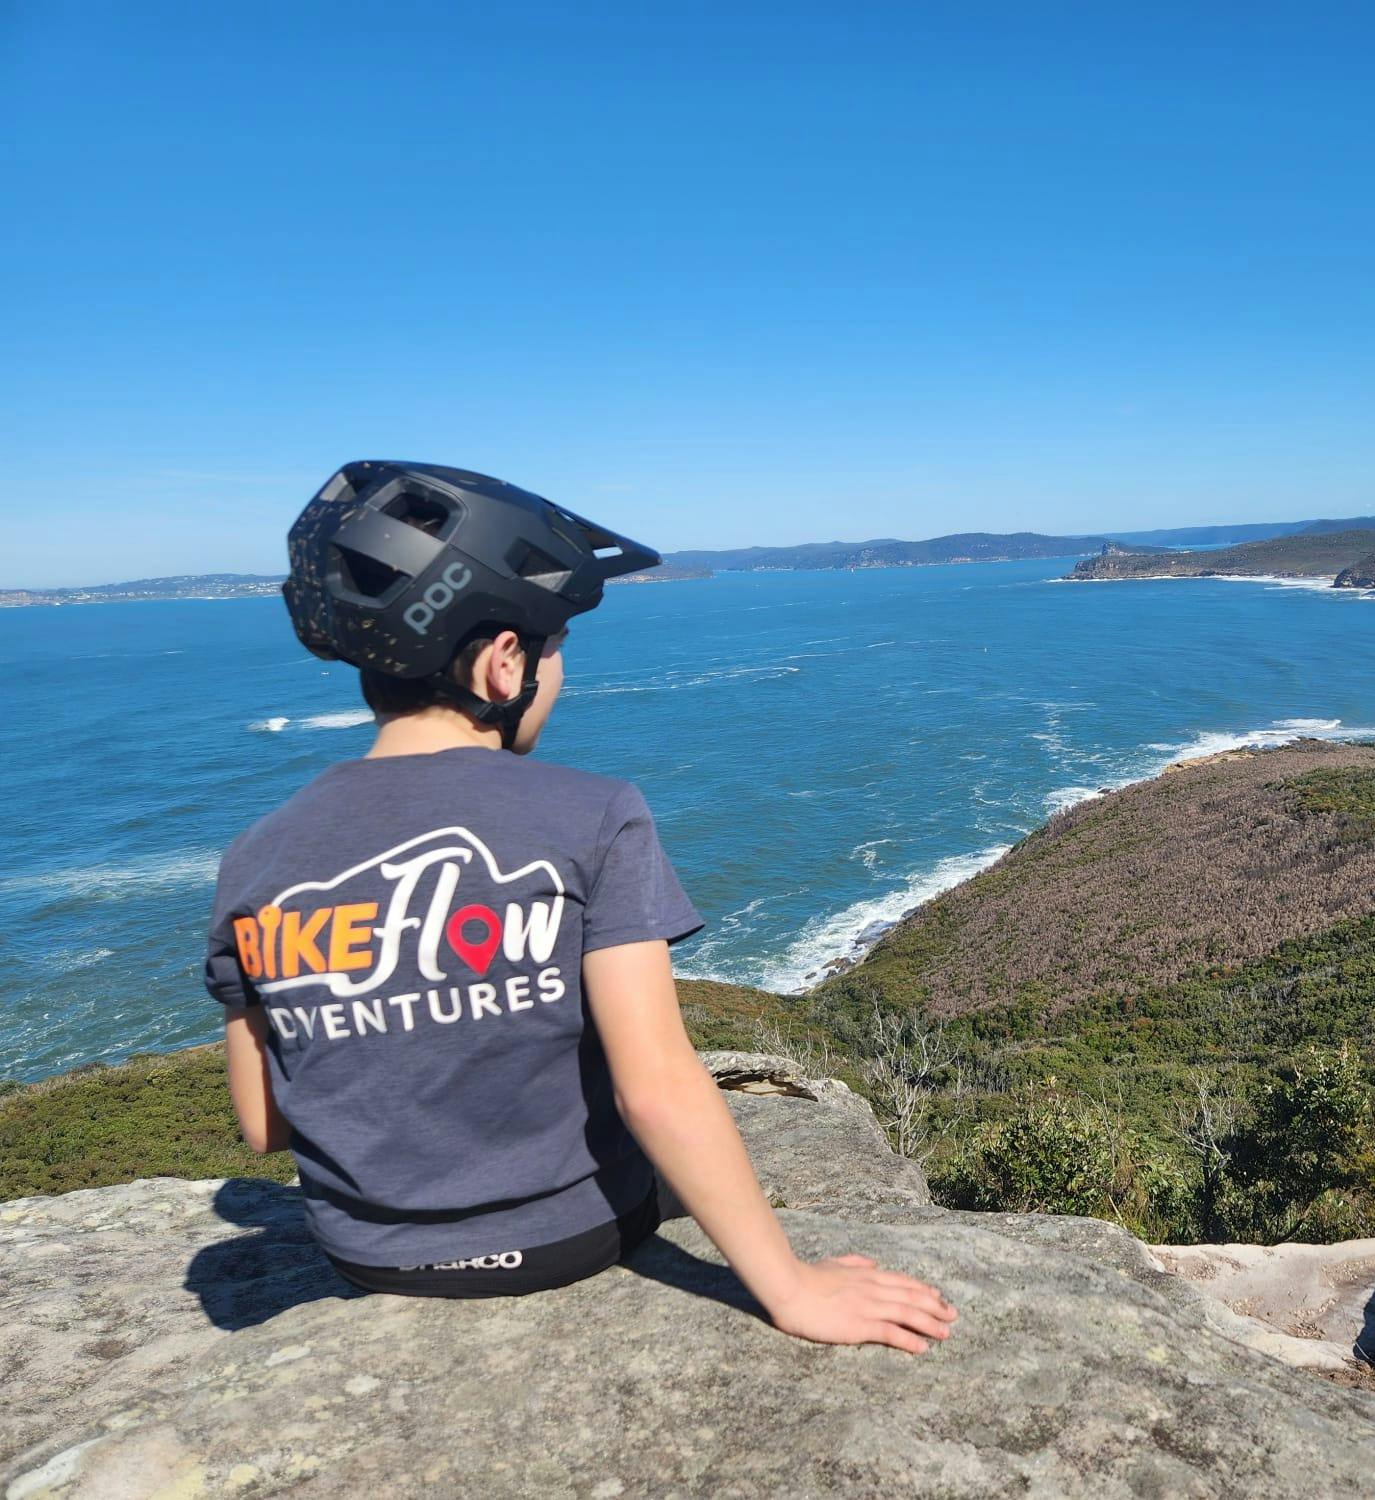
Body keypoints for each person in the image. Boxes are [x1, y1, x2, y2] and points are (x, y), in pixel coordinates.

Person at [204, 460, 955, 1354]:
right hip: (570, 1241)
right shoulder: (594, 812)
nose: (556, 676)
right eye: (554, 650)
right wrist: (790, 1289)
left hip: (366, 1257)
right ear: (501, 661)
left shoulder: (255, 855)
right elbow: (658, 1087)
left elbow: (263, 1125)